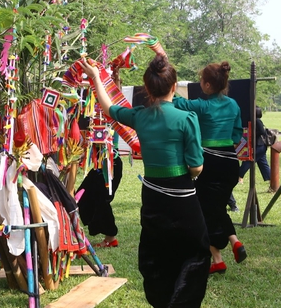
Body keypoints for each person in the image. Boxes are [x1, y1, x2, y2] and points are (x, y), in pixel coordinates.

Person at [81, 55, 210, 307]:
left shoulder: (139, 116)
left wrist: (96, 77)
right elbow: (196, 166)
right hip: (182, 196)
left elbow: (109, 109)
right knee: (195, 250)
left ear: (148, 89)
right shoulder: (187, 119)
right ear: (174, 87)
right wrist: (191, 175)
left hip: (152, 196)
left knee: (156, 250)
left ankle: (161, 300)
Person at [172, 61, 247, 275]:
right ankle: (224, 252)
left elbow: (176, 102)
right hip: (231, 162)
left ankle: (226, 249)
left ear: (206, 85)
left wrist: (170, 84)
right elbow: (237, 133)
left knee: (206, 211)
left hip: (210, 163)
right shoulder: (233, 104)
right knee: (215, 208)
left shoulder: (202, 106)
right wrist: (227, 142)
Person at [239, 106, 271, 184]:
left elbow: (262, 132)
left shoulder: (256, 121)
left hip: (258, 145)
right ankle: (271, 179)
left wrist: (252, 134)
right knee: (263, 163)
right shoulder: (256, 120)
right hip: (260, 145)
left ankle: (239, 176)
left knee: (248, 161)